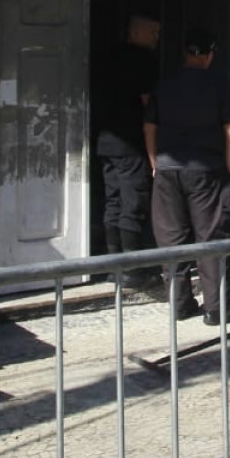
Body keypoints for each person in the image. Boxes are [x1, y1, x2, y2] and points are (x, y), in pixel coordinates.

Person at [144, 26, 230, 324]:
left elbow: (149, 127)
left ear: (186, 54)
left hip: (167, 170)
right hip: (206, 170)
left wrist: (154, 163)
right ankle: (216, 309)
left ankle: (180, 304)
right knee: (210, 237)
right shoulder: (219, 84)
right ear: (210, 55)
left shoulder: (165, 84)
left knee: (172, 239)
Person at [97, 14, 160, 276]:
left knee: (113, 202)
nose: (157, 39)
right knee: (132, 204)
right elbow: (148, 103)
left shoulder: (109, 58)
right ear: (136, 33)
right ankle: (132, 272)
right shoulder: (142, 60)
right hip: (130, 144)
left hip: (105, 143)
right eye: (153, 33)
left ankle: (114, 265)